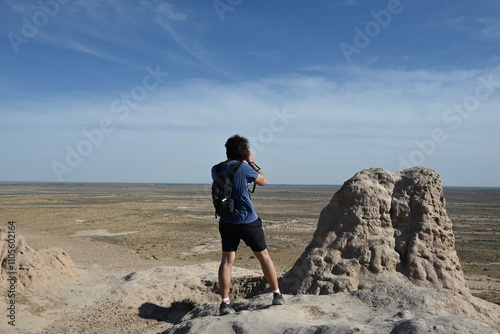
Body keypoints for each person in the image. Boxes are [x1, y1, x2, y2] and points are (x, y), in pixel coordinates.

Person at [211, 134, 284, 316]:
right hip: (248, 220)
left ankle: (225, 303)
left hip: (227, 221)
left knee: (227, 261)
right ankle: (276, 294)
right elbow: (263, 181)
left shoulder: (216, 168)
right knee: (264, 256)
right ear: (244, 152)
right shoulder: (244, 167)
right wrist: (252, 162)